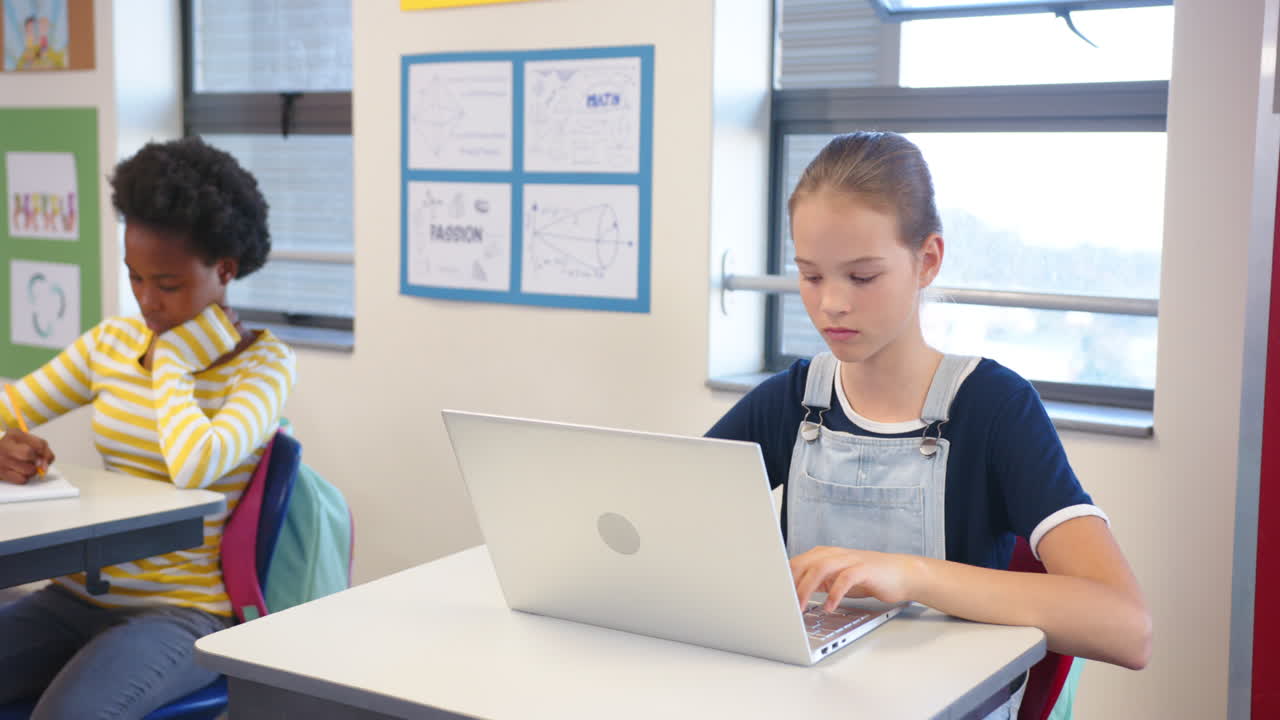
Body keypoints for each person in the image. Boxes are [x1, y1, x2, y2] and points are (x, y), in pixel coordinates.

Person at [706, 132, 1150, 715]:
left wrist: (911, 576)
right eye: (811, 275)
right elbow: (667, 528)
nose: (831, 303)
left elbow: (1126, 627)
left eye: (862, 277)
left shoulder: (995, 409)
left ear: (928, 261)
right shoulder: (788, 402)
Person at [0, 137, 296, 719]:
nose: (146, 303)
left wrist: (173, 363)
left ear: (224, 271)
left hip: (183, 612)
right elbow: (12, 405)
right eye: (135, 278)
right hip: (77, 591)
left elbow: (195, 466)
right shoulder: (112, 344)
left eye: (167, 285)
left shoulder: (265, 367)